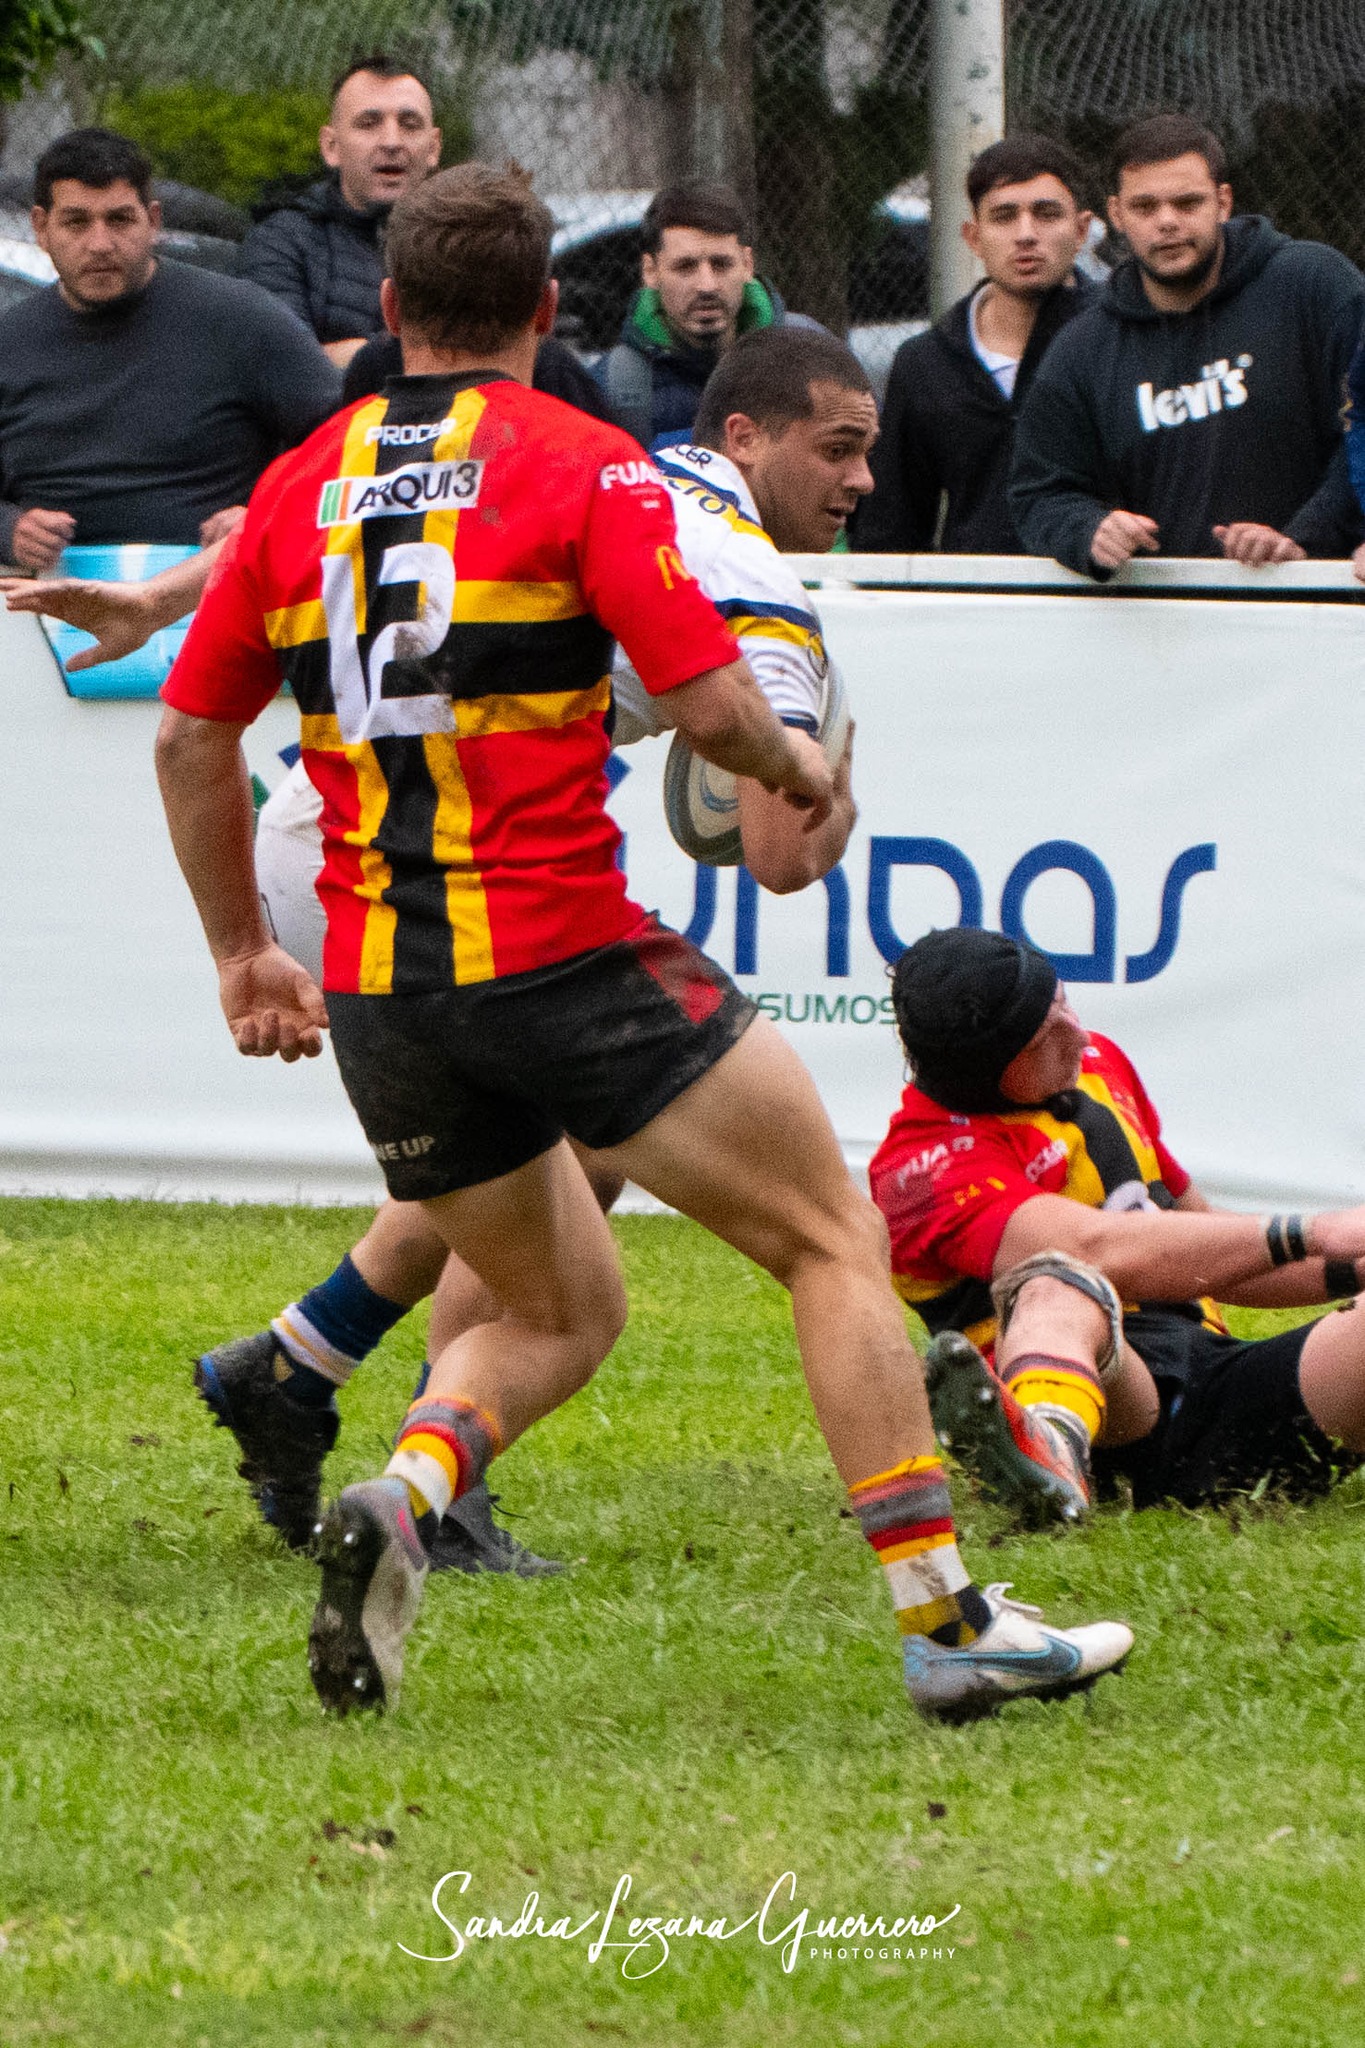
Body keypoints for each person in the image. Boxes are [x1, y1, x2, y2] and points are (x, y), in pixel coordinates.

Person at [154, 160, 1131, 1723]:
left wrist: (234, 957)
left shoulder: (299, 485)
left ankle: (405, 1491)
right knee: (828, 1237)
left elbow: (188, 740)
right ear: (549, 311)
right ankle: (946, 1620)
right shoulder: (591, 466)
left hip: (381, 985)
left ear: (388, 310)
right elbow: (708, 702)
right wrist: (801, 765)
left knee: (564, 1305)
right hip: (559, 948)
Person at [171, 325, 871, 1568]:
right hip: (410, 869)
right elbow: (777, 849)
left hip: (338, 844)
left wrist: (148, 599)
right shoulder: (762, 589)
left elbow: (322, 533)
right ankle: (429, 1480)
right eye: (841, 448)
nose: (863, 480)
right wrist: (838, 789)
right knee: (568, 1157)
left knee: (554, 1159)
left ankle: (298, 1362)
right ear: (748, 438)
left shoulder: (633, 470)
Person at [870, 927, 1365, 1530]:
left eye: (1064, 1003)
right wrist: (1314, 1230)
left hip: (1217, 1386)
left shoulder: (1098, 1065)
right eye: (1045, 1036)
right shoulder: (920, 1168)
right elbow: (1092, 1248)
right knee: (1059, 1279)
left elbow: (1209, 1247)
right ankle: (1049, 1452)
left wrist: (1349, 1264)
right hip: (1119, 1428)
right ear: (985, 1071)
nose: (1078, 1035)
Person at [1009, 112, 1365, 577]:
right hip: (1164, 613)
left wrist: (1304, 537)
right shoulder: (1083, 347)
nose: (1167, 222)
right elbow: (1039, 492)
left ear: (1223, 202)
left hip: (1321, 596)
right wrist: (1089, 529)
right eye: (1145, 207)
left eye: (1187, 203)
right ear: (1116, 214)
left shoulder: (1313, 286)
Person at [0, 127, 339, 574]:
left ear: (154, 221)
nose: (99, 244)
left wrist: (266, 514)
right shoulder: (8, 343)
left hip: (213, 587)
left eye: (120, 220)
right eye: (76, 222)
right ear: (41, 228)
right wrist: (10, 531)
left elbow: (349, 441)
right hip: (42, 594)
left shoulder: (241, 317)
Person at [854, 134, 1095, 555]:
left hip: (1105, 589)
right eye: (1004, 216)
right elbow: (891, 528)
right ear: (973, 237)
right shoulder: (925, 363)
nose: (1026, 234)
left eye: (1046, 213)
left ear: (1081, 230)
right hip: (973, 592)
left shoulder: (1117, 339)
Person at [238, 52, 441, 368]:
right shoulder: (280, 242)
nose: (392, 141)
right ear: (331, 146)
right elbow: (283, 366)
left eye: (409, 124)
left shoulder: (472, 241)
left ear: (434, 147)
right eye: (368, 124)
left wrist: (349, 354)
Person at [599, 181, 821, 452]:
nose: (707, 285)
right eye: (685, 267)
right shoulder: (615, 387)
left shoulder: (812, 355)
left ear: (747, 264)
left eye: (721, 264)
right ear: (650, 271)